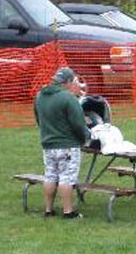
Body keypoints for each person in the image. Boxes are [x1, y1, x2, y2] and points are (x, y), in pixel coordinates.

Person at [33, 67, 89, 218]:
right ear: (68, 81)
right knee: (67, 178)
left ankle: (49, 209)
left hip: (48, 144)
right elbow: (78, 124)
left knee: (50, 175)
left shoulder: (39, 96)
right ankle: (68, 211)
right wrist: (85, 138)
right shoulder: (68, 98)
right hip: (67, 145)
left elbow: (39, 119)